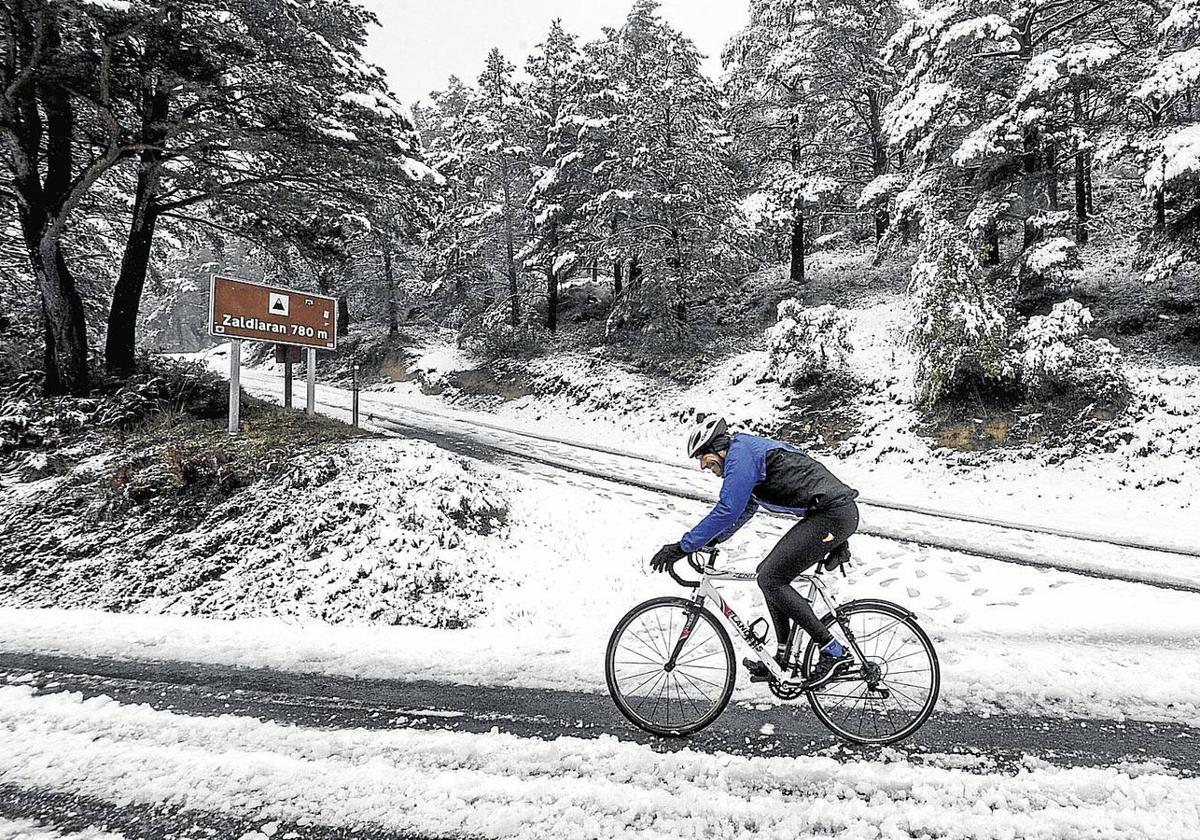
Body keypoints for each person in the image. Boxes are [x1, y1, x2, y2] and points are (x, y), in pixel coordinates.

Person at [649, 415, 860, 689]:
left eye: (703, 456)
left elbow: (727, 509)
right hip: (830, 514)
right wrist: (711, 541)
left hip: (832, 515)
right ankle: (783, 658)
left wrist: (683, 546)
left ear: (719, 448)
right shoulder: (744, 456)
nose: (703, 465)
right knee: (768, 574)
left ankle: (833, 651)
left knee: (771, 578)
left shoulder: (740, 456)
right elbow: (745, 509)